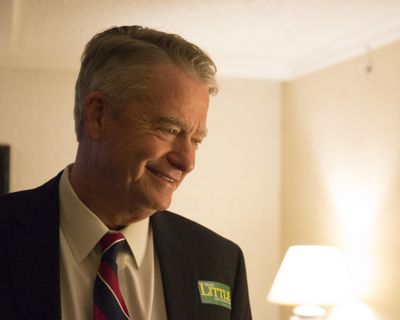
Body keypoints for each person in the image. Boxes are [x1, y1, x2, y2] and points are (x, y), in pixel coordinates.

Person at [0, 26, 252, 320]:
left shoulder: (219, 261)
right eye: (169, 129)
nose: (187, 161)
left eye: (196, 140)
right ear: (97, 115)